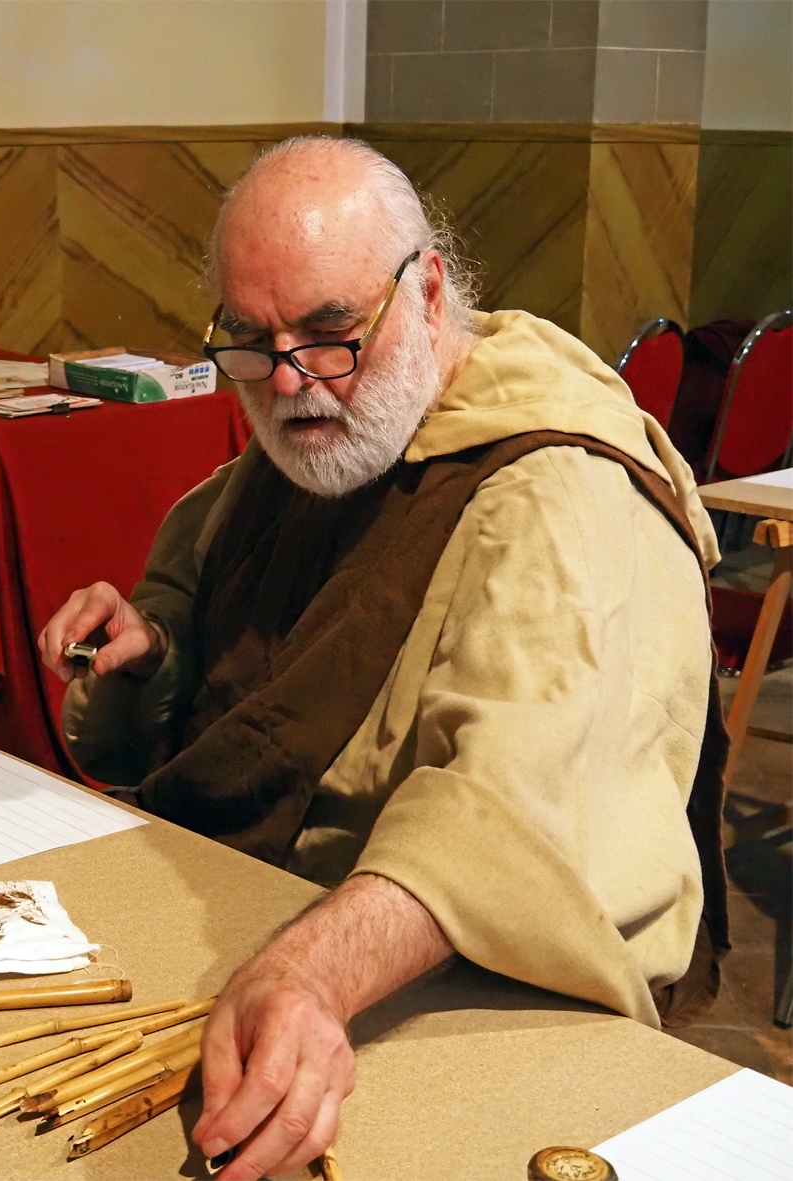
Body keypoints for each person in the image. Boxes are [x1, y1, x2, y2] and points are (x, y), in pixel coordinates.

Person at [37, 137, 725, 1181]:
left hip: (467, 1001)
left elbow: (505, 813)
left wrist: (311, 972)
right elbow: (219, 660)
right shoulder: (316, 442)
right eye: (251, 341)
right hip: (260, 918)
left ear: (429, 291)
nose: (291, 383)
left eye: (329, 333)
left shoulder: (557, 495)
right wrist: (147, 654)